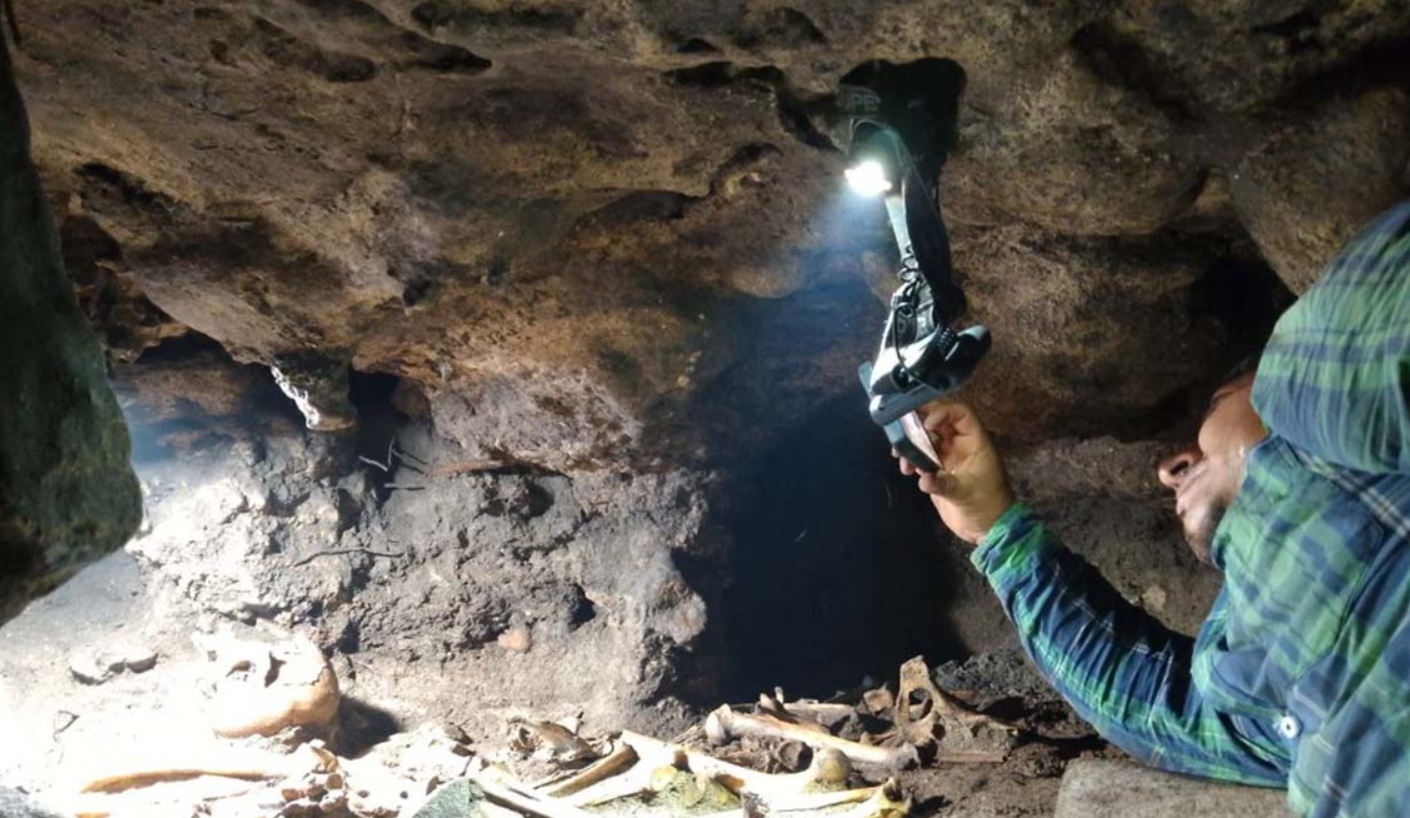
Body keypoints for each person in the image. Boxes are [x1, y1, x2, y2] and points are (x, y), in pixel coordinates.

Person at [897, 200, 1410, 818]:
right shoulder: (1265, 681)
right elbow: (1156, 710)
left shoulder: (1323, 378)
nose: (1170, 466)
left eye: (1217, 404)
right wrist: (994, 527)